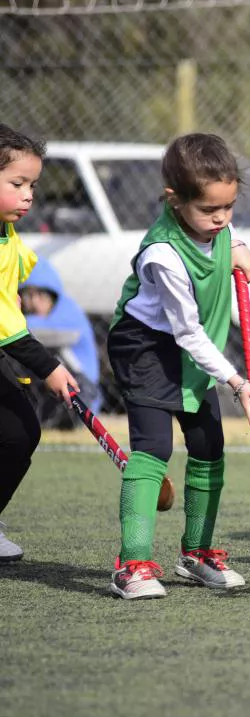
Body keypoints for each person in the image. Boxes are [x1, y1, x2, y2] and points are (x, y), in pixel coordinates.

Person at [105, 133, 250, 599]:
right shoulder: (163, 255)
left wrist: (240, 246)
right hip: (147, 349)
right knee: (154, 448)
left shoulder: (218, 226)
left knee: (209, 446)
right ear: (174, 201)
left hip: (192, 347)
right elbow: (187, 331)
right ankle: (131, 565)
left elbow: (229, 237)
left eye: (229, 208)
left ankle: (196, 555)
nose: (220, 219)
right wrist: (236, 381)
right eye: (209, 210)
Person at [0, 125, 80, 563]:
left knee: (21, 432)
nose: (29, 194)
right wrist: (49, 367)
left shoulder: (6, 230)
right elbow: (7, 327)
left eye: (32, 184)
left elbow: (18, 266)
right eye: (17, 184)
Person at [19, 258, 102, 426]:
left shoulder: (68, 311)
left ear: (53, 295)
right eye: (28, 295)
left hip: (81, 390)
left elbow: (34, 330)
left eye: (41, 295)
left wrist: (8, 322)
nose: (34, 302)